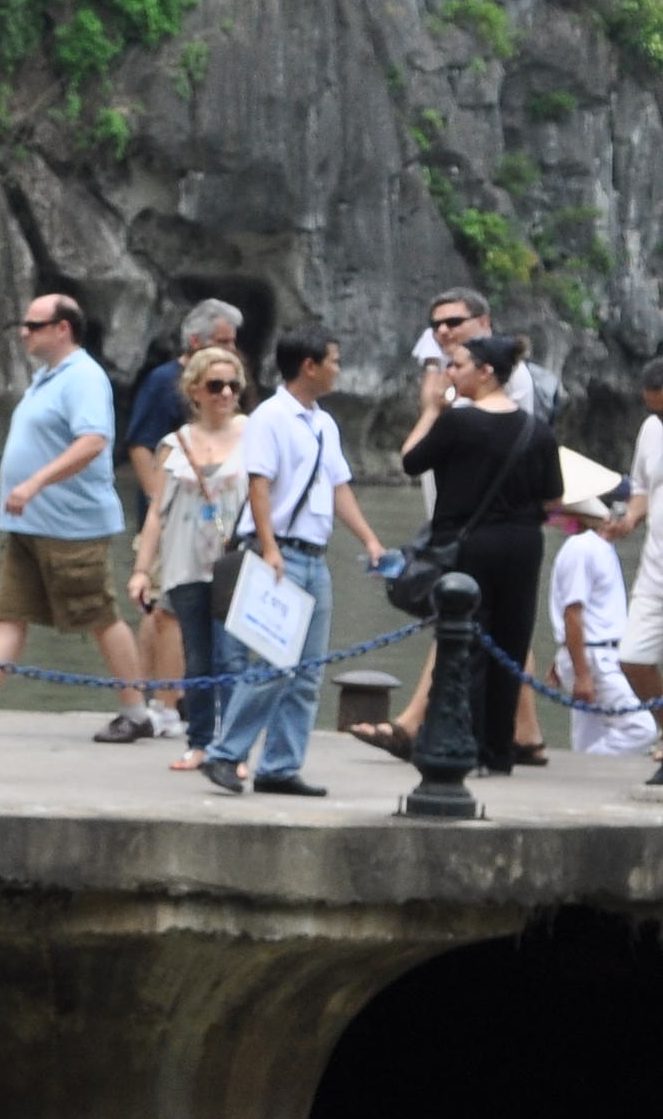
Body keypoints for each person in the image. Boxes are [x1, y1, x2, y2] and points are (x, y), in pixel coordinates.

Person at [0, 291, 153, 739]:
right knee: (10, 612)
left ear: (62, 328)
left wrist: (34, 483)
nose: (24, 333)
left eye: (33, 325)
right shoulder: (47, 377)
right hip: (30, 524)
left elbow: (92, 442)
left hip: (70, 523)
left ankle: (136, 712)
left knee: (99, 613)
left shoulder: (83, 377)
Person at [209, 331, 390, 799]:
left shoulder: (323, 424)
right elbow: (259, 484)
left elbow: (337, 486)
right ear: (309, 366)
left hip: (314, 555)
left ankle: (281, 765)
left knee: (308, 671)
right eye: (333, 360)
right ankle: (226, 754)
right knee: (272, 664)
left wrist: (370, 539)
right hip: (282, 552)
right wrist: (269, 549)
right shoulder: (271, 417)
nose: (338, 368)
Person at [381, 329, 557, 772]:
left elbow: (411, 459)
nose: (449, 373)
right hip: (522, 544)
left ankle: (462, 743)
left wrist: (430, 409)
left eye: (457, 365)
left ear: (485, 372)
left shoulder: (459, 422)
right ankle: (498, 751)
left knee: (467, 640)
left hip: (470, 544)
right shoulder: (536, 430)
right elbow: (552, 498)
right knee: (512, 641)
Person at [124, 346, 254, 771]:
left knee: (232, 656)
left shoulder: (254, 435)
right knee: (197, 655)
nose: (226, 394)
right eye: (216, 385)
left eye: (233, 385)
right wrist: (142, 570)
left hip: (236, 564)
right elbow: (157, 514)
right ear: (195, 390)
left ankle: (232, 748)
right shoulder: (174, 445)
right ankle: (200, 741)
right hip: (186, 563)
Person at [546, 471, 656, 760]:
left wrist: (565, 658)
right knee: (640, 728)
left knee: (588, 739)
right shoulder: (584, 548)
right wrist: (581, 672)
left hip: (594, 653)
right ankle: (578, 775)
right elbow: (573, 613)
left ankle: (578, 778)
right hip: (596, 658)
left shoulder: (599, 549)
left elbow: (583, 613)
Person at [412, 288, 561, 420]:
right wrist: (432, 364)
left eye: (453, 322)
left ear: (483, 323)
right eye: (435, 325)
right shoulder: (445, 361)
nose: (442, 331)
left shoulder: (505, 367)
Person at [621, 354, 663, 777]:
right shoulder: (652, 429)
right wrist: (630, 518)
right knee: (632, 658)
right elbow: (642, 487)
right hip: (655, 570)